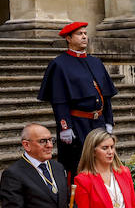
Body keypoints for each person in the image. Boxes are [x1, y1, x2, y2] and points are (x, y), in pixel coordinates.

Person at [37, 21, 117, 176]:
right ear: (68, 38)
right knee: (78, 164)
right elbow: (59, 100)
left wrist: (108, 120)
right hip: (77, 122)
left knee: (102, 161)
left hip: (98, 121)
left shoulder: (95, 61)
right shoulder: (59, 64)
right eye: (80, 34)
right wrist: (65, 127)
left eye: (86, 34)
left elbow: (105, 95)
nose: (84, 37)